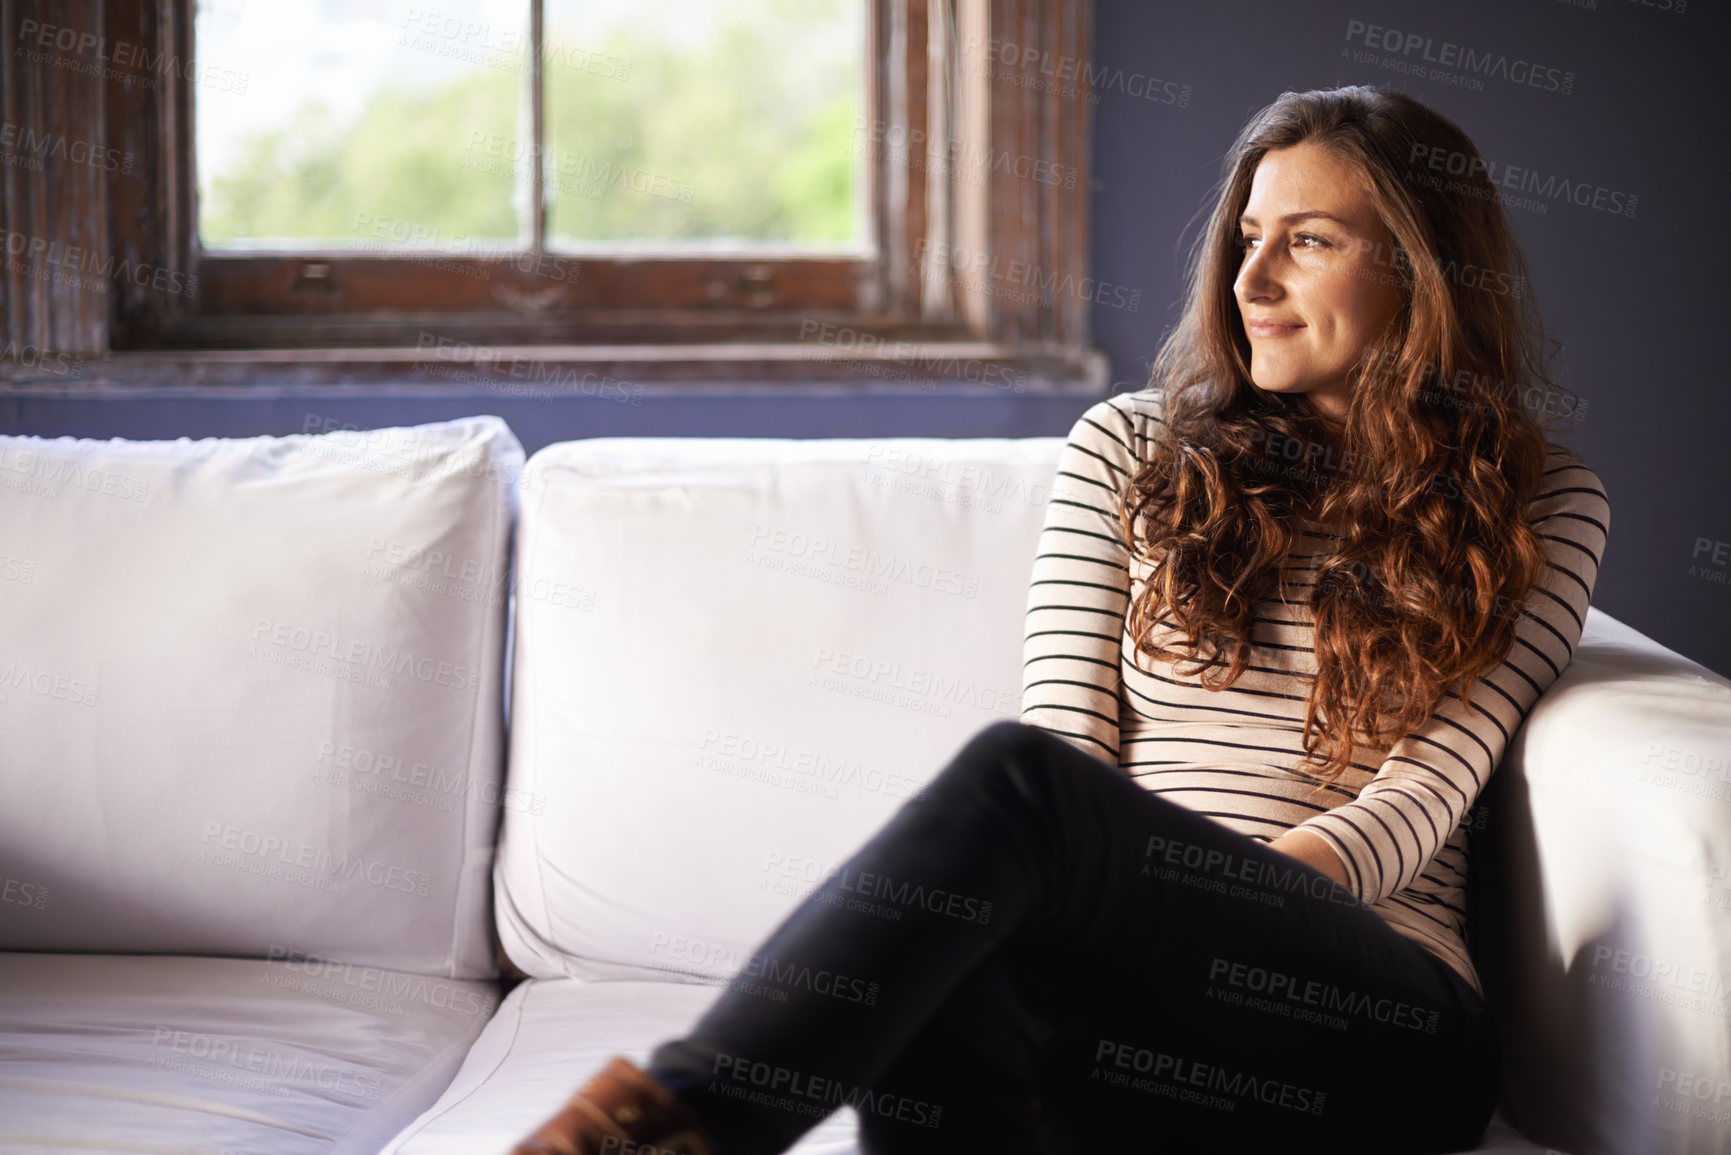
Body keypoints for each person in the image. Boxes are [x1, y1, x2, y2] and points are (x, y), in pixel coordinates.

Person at [508, 83, 1610, 1155]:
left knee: (1013, 784)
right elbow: (1070, 736)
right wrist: (1132, 941)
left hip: (1377, 1019)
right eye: (1246, 239)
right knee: (953, 970)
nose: (1252, 279)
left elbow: (1425, 791)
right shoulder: (1133, 451)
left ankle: (673, 1134)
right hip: (1146, 993)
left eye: (1309, 241)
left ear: (1423, 269)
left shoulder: (1541, 500)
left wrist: (1200, 919)